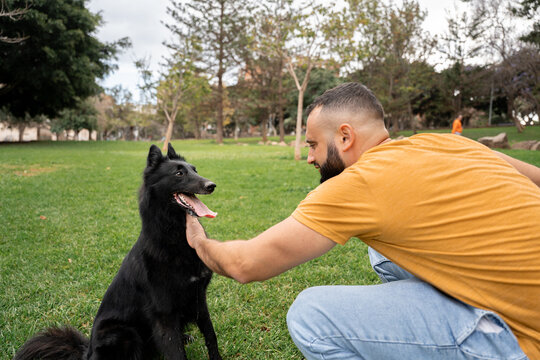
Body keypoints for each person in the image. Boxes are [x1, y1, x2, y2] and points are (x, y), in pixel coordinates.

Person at [186, 82, 540, 359]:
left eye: (313, 145)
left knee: (310, 316)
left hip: (525, 341)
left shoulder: (358, 183)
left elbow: (246, 264)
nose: (309, 158)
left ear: (345, 136)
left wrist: (198, 240)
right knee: (381, 254)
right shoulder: (446, 143)